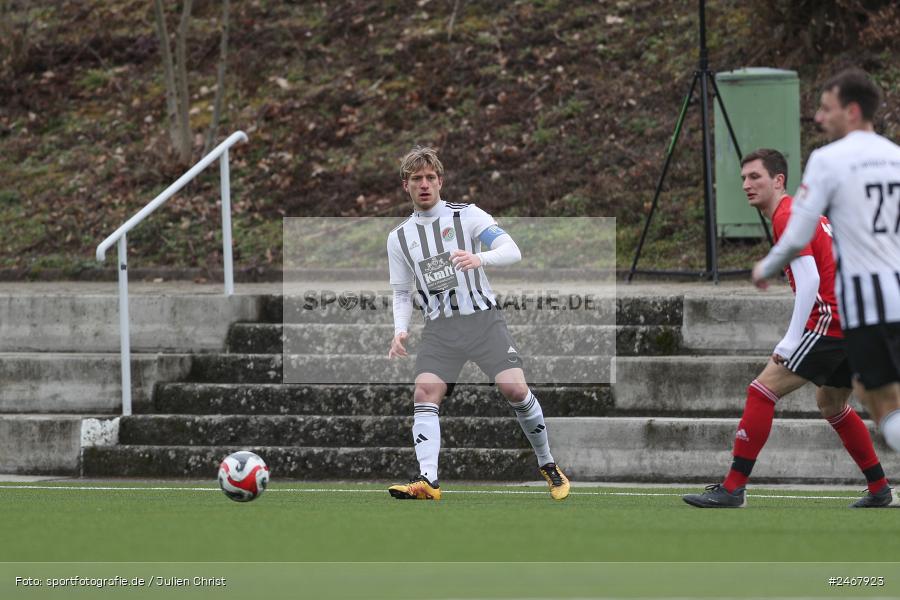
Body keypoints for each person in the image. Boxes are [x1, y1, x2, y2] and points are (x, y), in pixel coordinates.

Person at [684, 148, 897, 508]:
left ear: (778, 180)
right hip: (854, 321)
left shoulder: (787, 214)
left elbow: (810, 279)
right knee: (831, 403)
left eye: (755, 177)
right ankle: (879, 488)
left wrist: (791, 339)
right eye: (743, 178)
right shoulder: (803, 212)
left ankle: (733, 488)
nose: (746, 185)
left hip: (831, 321)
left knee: (761, 391)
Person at [384, 145, 569, 501]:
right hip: (440, 329)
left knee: (515, 390)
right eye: (416, 179)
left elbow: (512, 250)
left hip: (483, 321)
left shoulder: (467, 215)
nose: (424, 184)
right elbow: (402, 292)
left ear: (440, 181)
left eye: (430, 177)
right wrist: (400, 330)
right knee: (424, 392)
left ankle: (547, 463)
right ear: (406, 185)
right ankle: (428, 480)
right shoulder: (399, 238)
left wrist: (479, 258)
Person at [752, 69, 900, 456]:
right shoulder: (895, 157)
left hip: (866, 303)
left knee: (876, 395)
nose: (818, 117)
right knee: (865, 396)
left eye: (826, 108)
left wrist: (766, 267)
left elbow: (798, 233)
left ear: (852, 111)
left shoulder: (828, 159)